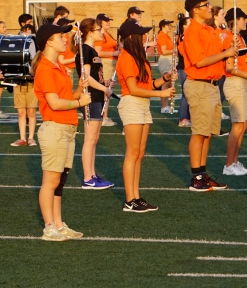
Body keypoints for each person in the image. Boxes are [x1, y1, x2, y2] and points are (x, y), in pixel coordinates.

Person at [33, 22, 89, 241]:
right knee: (50, 182)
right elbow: (54, 104)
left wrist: (77, 92)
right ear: (49, 41)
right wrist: (80, 102)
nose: (66, 39)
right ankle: (49, 227)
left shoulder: (58, 66)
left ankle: (59, 223)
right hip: (55, 128)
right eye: (61, 36)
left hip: (66, 128)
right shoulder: (46, 68)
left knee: (60, 181)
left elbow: (66, 98)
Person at [117, 20, 175, 212]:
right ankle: (129, 199)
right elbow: (133, 89)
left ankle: (136, 196)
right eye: (141, 34)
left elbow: (147, 86)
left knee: (139, 154)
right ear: (132, 37)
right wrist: (162, 94)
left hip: (143, 104)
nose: (144, 37)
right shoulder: (126, 57)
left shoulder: (138, 57)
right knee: (132, 153)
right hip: (132, 104)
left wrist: (164, 79)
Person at [181, 0, 234, 192]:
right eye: (206, 4)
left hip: (212, 84)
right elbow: (199, 61)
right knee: (199, 132)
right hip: (199, 84)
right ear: (195, 9)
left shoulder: (208, 29)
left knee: (209, 133)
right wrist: (225, 53)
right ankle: (196, 177)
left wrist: (229, 48)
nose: (210, 7)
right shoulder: (193, 31)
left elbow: (216, 55)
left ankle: (202, 174)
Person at [73, 18, 114, 189]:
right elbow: (86, 78)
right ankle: (88, 178)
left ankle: (93, 174)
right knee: (90, 139)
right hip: (90, 97)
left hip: (97, 96)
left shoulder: (92, 51)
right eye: (98, 30)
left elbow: (95, 76)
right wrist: (104, 89)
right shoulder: (85, 51)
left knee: (94, 138)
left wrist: (106, 85)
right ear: (89, 32)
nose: (102, 32)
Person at [222, 8, 247, 176]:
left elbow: (241, 63)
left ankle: (235, 161)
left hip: (240, 82)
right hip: (234, 83)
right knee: (237, 126)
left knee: (242, 125)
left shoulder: (240, 39)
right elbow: (230, 67)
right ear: (235, 21)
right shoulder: (231, 38)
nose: (246, 22)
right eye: (243, 19)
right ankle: (229, 164)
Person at [11, 23, 38, 148]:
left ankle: (31, 138)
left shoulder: (35, 44)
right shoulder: (17, 44)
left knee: (31, 112)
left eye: (28, 31)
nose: (26, 34)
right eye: (24, 31)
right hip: (19, 82)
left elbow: (35, 60)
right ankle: (22, 138)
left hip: (31, 82)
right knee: (21, 112)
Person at [93, 13, 119, 127]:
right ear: (100, 22)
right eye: (105, 21)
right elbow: (98, 52)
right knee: (106, 90)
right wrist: (115, 53)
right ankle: (103, 117)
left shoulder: (107, 34)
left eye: (109, 20)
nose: (108, 22)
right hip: (106, 63)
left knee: (107, 90)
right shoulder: (100, 35)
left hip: (110, 63)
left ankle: (104, 116)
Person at [156, 20, 176, 114]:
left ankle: (166, 106)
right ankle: (164, 107)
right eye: (168, 25)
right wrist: (176, 50)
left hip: (169, 60)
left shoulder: (166, 36)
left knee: (169, 83)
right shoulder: (162, 36)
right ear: (163, 26)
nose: (170, 26)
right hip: (165, 60)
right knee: (166, 83)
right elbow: (164, 51)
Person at [176, 16, 192, 127]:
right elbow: (184, 52)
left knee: (189, 93)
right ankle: (183, 118)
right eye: (189, 22)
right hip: (184, 68)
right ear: (184, 26)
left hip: (188, 67)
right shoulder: (183, 37)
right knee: (186, 93)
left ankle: (188, 117)